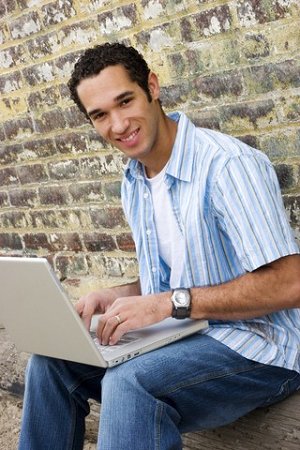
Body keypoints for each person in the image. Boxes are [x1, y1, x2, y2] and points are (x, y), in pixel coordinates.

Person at [19, 43, 300, 450]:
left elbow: (290, 284)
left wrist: (168, 303)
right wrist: (114, 296)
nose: (118, 125)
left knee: (129, 382)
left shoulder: (226, 165)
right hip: (187, 337)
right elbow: (177, 284)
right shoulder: (134, 180)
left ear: (152, 86)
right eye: (100, 115)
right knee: (50, 362)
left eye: (125, 101)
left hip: (263, 348)